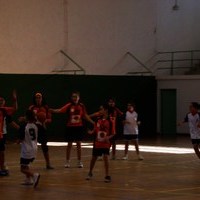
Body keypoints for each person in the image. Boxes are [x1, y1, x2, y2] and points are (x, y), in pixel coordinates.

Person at [50, 91, 94, 168]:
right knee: (69, 145)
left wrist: (93, 122)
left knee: (79, 144)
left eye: (76, 96)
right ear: (71, 98)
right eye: (73, 96)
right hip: (70, 127)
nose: (74, 98)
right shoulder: (69, 106)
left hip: (79, 127)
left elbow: (85, 115)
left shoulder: (81, 106)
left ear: (79, 98)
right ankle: (67, 161)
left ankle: (79, 161)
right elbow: (60, 110)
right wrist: (52, 110)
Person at [86, 104, 115, 183]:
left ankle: (107, 175)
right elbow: (95, 130)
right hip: (97, 143)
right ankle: (90, 172)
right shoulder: (97, 120)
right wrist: (91, 132)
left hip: (105, 143)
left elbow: (113, 133)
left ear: (106, 110)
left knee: (106, 157)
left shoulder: (110, 121)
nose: (100, 111)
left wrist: (107, 138)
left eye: (101, 109)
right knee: (94, 158)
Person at [28, 92, 54, 169]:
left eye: (39, 97)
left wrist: (45, 121)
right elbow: (28, 117)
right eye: (36, 97)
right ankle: (27, 163)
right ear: (34, 99)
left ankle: (48, 164)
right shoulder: (31, 108)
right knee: (31, 146)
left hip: (42, 129)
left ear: (42, 99)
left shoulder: (46, 108)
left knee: (44, 146)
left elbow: (50, 119)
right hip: (33, 129)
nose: (38, 99)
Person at [18, 110, 40, 187]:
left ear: (26, 117)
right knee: (25, 164)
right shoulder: (35, 125)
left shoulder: (24, 126)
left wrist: (17, 141)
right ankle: (28, 180)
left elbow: (21, 138)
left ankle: (34, 175)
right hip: (34, 148)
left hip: (26, 150)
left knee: (22, 169)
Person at [0, 90, 18, 176]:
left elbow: (15, 108)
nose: (1, 102)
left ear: (4, 102)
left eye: (2, 101)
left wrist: (14, 100)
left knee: (2, 151)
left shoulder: (4, 110)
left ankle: (2, 166)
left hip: (2, 134)